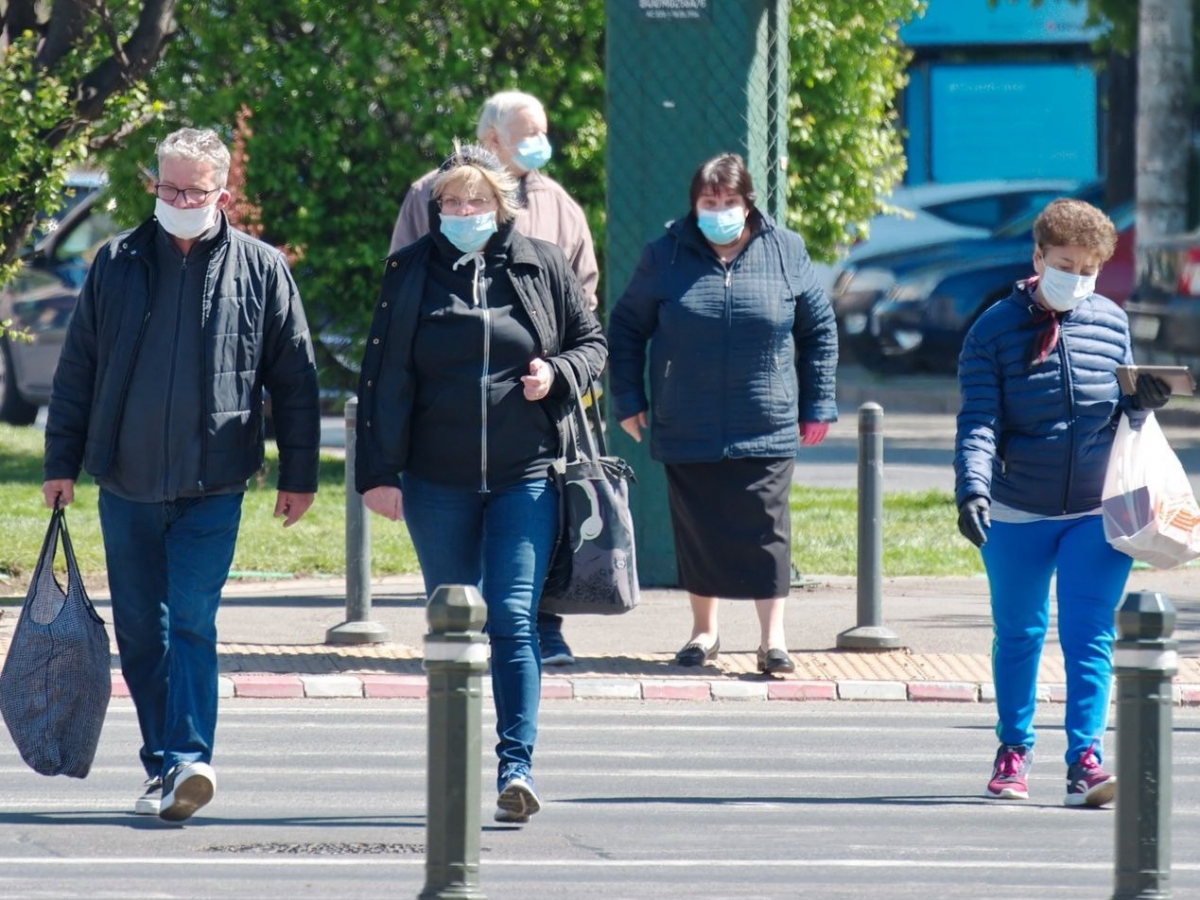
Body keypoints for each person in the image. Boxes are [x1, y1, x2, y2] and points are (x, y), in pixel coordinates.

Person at [42, 127, 321, 822]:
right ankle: (163, 761)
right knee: (141, 632)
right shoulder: (117, 261)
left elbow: (296, 380)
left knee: (193, 620)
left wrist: (301, 473)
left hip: (214, 483)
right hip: (126, 481)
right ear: (155, 186)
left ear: (222, 192)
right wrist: (60, 463)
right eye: (168, 187)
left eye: (194, 190)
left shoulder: (261, 268)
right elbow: (78, 370)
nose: (179, 199)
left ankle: (191, 758)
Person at [356, 143, 606, 824]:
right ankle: (455, 761)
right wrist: (375, 474)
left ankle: (515, 767)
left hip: (524, 479)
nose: (465, 213)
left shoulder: (540, 264)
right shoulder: (409, 271)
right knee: (453, 620)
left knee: (514, 617)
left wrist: (557, 374)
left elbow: (593, 345)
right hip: (435, 482)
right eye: (452, 204)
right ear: (434, 210)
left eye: (477, 203)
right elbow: (378, 380)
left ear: (501, 207)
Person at [954, 197, 1172, 807]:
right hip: (1018, 508)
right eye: (1064, 263)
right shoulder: (993, 330)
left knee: (1089, 634)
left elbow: (1124, 411)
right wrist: (972, 487)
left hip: (1096, 510)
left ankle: (1086, 760)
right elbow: (977, 422)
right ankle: (1014, 750)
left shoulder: (1110, 320)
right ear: (1038, 257)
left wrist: (1145, 398)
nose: (1075, 277)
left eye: (1087, 268)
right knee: (1020, 632)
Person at [389, 90, 599, 669]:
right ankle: (464, 645)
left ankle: (542, 628)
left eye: (543, 130)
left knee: (529, 555)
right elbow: (404, 283)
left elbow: (584, 298)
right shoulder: (428, 195)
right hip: (443, 436)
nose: (539, 143)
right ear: (491, 139)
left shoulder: (558, 204)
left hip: (532, 417)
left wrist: (559, 368)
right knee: (458, 586)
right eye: (526, 133)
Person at [607, 153, 838, 675]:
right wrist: (629, 399)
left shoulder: (785, 250)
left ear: (748, 202)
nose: (720, 212)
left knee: (766, 528)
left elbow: (818, 329)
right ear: (694, 207)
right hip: (687, 419)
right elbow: (625, 328)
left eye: (730, 202)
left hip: (767, 419)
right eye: (709, 203)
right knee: (699, 528)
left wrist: (818, 402)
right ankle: (703, 632)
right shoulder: (664, 255)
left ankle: (772, 641)